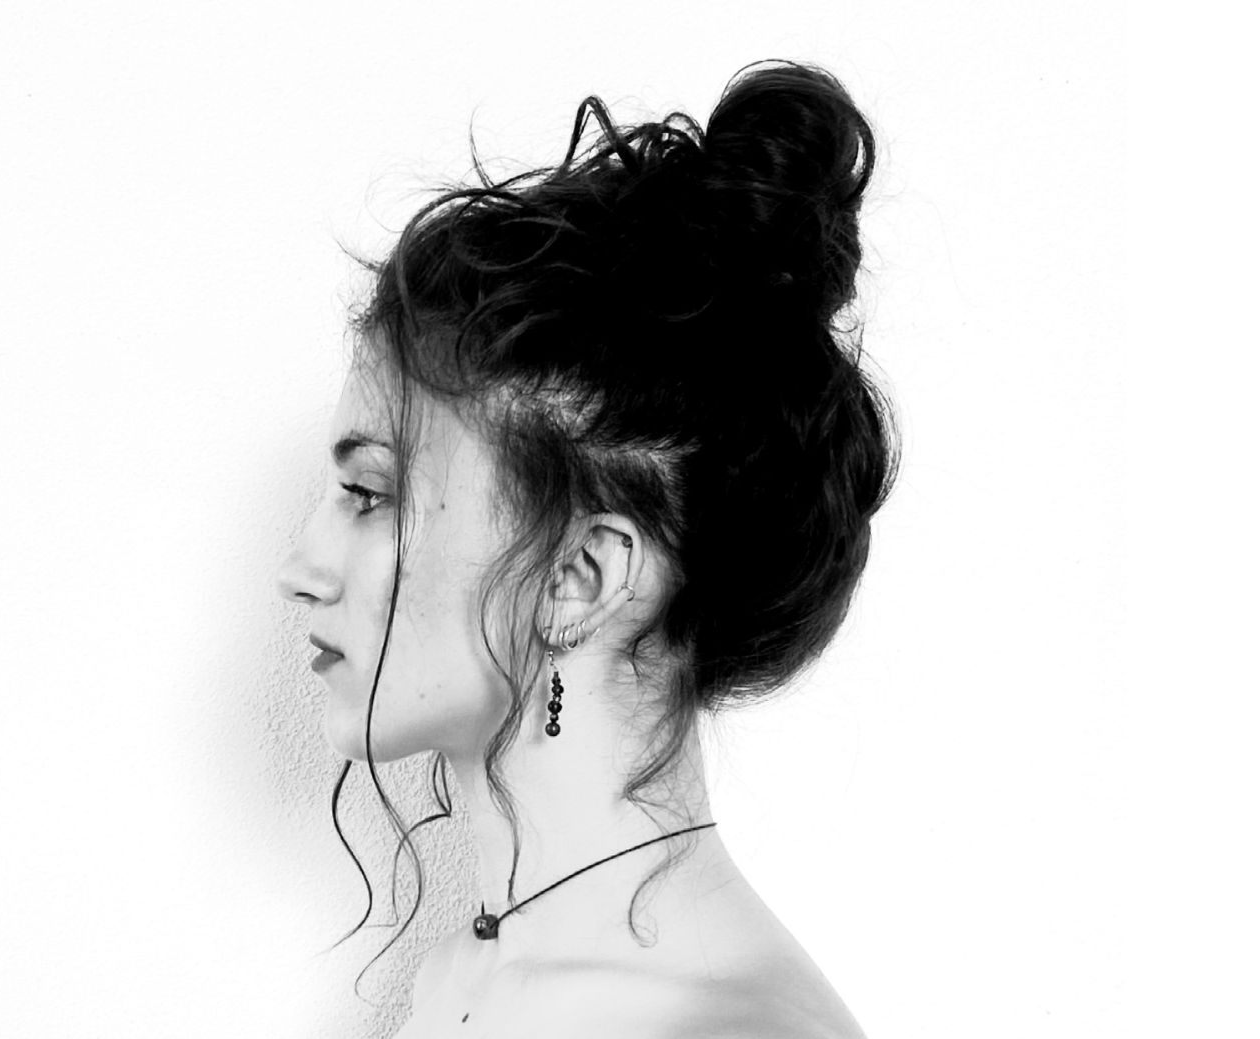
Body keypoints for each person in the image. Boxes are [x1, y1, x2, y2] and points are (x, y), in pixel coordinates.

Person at [276, 60, 896, 1038]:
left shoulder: (725, 1029)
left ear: (581, 577)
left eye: (369, 495)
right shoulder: (464, 976)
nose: (300, 569)